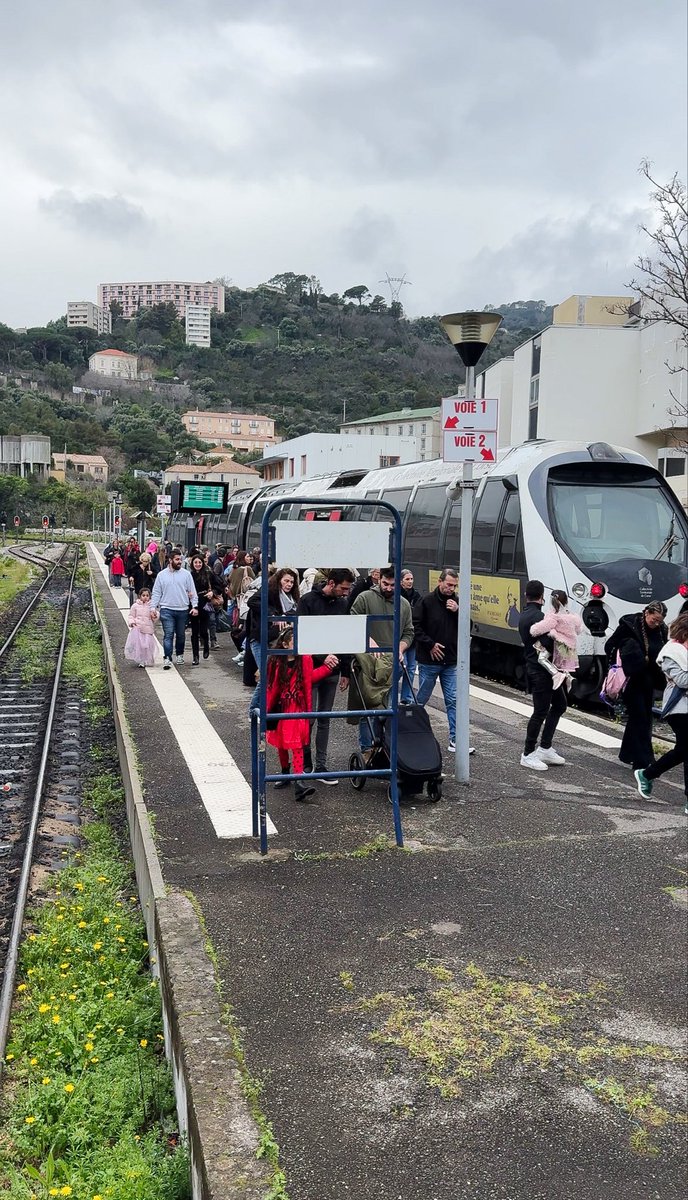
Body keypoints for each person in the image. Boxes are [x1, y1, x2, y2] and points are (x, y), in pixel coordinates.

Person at [296, 568, 355, 783]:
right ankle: (305, 763)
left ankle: (320, 766)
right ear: (331, 583)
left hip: (333, 669)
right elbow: (301, 635)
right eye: (343, 588)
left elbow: (347, 636)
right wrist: (324, 655)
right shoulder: (308, 601)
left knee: (324, 719)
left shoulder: (342, 603)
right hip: (311, 669)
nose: (346, 593)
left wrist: (345, 670)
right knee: (308, 719)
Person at [266, 628, 338, 802]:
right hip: (282, 708)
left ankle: (298, 781)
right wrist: (267, 709)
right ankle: (285, 773)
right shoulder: (276, 661)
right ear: (284, 644)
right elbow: (272, 687)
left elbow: (309, 678)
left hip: (298, 708)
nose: (299, 645)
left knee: (297, 744)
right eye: (294, 642)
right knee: (282, 744)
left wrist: (327, 668)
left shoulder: (305, 659)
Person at [350, 566, 414, 753]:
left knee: (389, 710)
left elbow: (409, 632)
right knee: (368, 709)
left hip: (392, 664)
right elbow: (353, 623)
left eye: (393, 585)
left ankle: (385, 748)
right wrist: (368, 641)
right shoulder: (365, 598)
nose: (388, 588)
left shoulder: (403, 604)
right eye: (385, 584)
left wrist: (401, 648)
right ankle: (366, 748)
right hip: (368, 664)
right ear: (379, 580)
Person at [604, 600, 668, 771]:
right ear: (646, 613)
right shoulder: (629, 625)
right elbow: (610, 646)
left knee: (642, 716)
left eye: (659, 621)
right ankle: (643, 760)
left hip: (649, 680)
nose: (656, 624)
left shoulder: (662, 630)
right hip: (630, 678)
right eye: (654, 620)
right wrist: (627, 654)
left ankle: (627, 753)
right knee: (640, 717)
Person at [634, 613, 688, 810]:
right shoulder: (671, 653)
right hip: (679, 708)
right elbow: (682, 680)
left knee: (683, 750)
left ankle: (647, 774)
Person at [519, 580, 569, 771]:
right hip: (542, 670)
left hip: (541, 669)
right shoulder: (540, 617)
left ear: (526, 595)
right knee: (540, 711)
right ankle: (528, 753)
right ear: (542, 597)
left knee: (559, 705)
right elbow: (549, 643)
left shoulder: (525, 615)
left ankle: (545, 747)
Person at [412, 568, 459, 752]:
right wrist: (430, 644)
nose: (451, 589)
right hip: (429, 661)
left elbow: (467, 626)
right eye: (448, 584)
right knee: (422, 698)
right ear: (439, 582)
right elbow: (415, 627)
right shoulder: (426, 602)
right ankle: (412, 732)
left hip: (450, 660)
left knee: (453, 700)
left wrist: (458, 611)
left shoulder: (456, 603)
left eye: (454, 586)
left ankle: (455, 740)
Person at [246, 567, 300, 710]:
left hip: (278, 640)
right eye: (286, 581)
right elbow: (252, 601)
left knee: (273, 674)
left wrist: (285, 615)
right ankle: (254, 709)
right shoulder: (269, 591)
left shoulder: (292, 599)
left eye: (292, 582)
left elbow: (295, 611)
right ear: (279, 580)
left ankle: (267, 708)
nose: (289, 584)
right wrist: (274, 615)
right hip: (260, 638)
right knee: (266, 674)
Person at [150, 549, 199, 669]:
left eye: (180, 560)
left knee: (181, 635)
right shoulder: (162, 575)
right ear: (170, 560)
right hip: (166, 609)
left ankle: (180, 654)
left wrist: (195, 606)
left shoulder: (186, 574)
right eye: (177, 560)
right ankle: (167, 657)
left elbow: (192, 591)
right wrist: (153, 608)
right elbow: (156, 593)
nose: (180, 562)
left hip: (183, 609)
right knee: (168, 634)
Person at [529, 590, 583, 690]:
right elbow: (579, 630)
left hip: (558, 644)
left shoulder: (554, 617)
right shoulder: (573, 617)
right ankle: (569, 678)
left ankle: (556, 674)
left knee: (542, 658)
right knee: (563, 665)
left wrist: (533, 629)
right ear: (566, 601)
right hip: (569, 647)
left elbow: (538, 629)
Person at [188, 552, 215, 664]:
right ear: (192, 564)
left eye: (200, 562)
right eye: (195, 562)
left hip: (204, 602)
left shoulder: (208, 574)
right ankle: (195, 656)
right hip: (193, 603)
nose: (198, 564)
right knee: (194, 631)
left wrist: (212, 592)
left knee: (203, 630)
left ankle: (206, 645)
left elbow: (219, 585)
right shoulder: (188, 575)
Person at [400, 568, 421, 703]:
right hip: (401, 637)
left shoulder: (416, 596)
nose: (410, 581)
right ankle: (391, 692)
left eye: (411, 579)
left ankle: (406, 697)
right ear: (401, 581)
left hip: (413, 637)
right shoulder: (397, 596)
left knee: (411, 668)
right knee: (402, 667)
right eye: (407, 579)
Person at [124, 588, 160, 668]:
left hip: (148, 629)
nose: (145, 597)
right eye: (143, 595)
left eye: (147, 596)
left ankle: (149, 658)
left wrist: (155, 615)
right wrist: (132, 622)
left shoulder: (151, 606)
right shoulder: (135, 606)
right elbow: (131, 616)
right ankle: (142, 660)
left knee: (147, 645)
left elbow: (155, 616)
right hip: (138, 629)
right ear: (139, 596)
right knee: (140, 645)